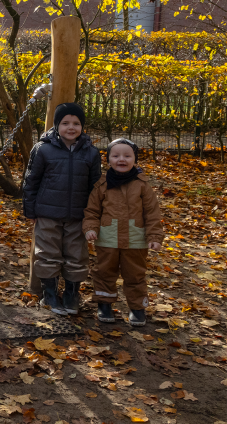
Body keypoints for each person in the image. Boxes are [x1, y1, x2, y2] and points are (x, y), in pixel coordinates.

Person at [23, 103, 102, 316]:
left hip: (78, 215)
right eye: (65, 123)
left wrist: (94, 215)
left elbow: (96, 187)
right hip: (48, 213)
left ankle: (71, 294)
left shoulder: (91, 153)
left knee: (76, 255)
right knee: (48, 254)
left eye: (76, 123)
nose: (71, 127)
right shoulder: (43, 149)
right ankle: (49, 293)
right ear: (57, 125)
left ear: (82, 127)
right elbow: (31, 181)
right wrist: (30, 210)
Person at [83, 139, 163, 327]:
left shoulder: (142, 185)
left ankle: (137, 308)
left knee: (135, 274)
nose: (122, 159)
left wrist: (154, 237)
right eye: (116, 155)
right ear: (108, 159)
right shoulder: (101, 185)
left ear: (135, 159)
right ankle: (104, 304)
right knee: (104, 272)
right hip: (107, 238)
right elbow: (92, 211)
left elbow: (152, 213)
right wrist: (90, 229)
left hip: (135, 239)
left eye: (127, 156)